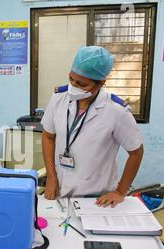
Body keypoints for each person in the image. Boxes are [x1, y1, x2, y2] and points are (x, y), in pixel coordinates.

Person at [41, 46, 144, 207]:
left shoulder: (116, 111)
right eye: (71, 79)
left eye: (82, 84)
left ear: (101, 83)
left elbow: (136, 152)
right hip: (60, 190)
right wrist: (51, 177)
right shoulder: (59, 98)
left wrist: (120, 192)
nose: (74, 86)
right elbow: (48, 136)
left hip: (97, 197)